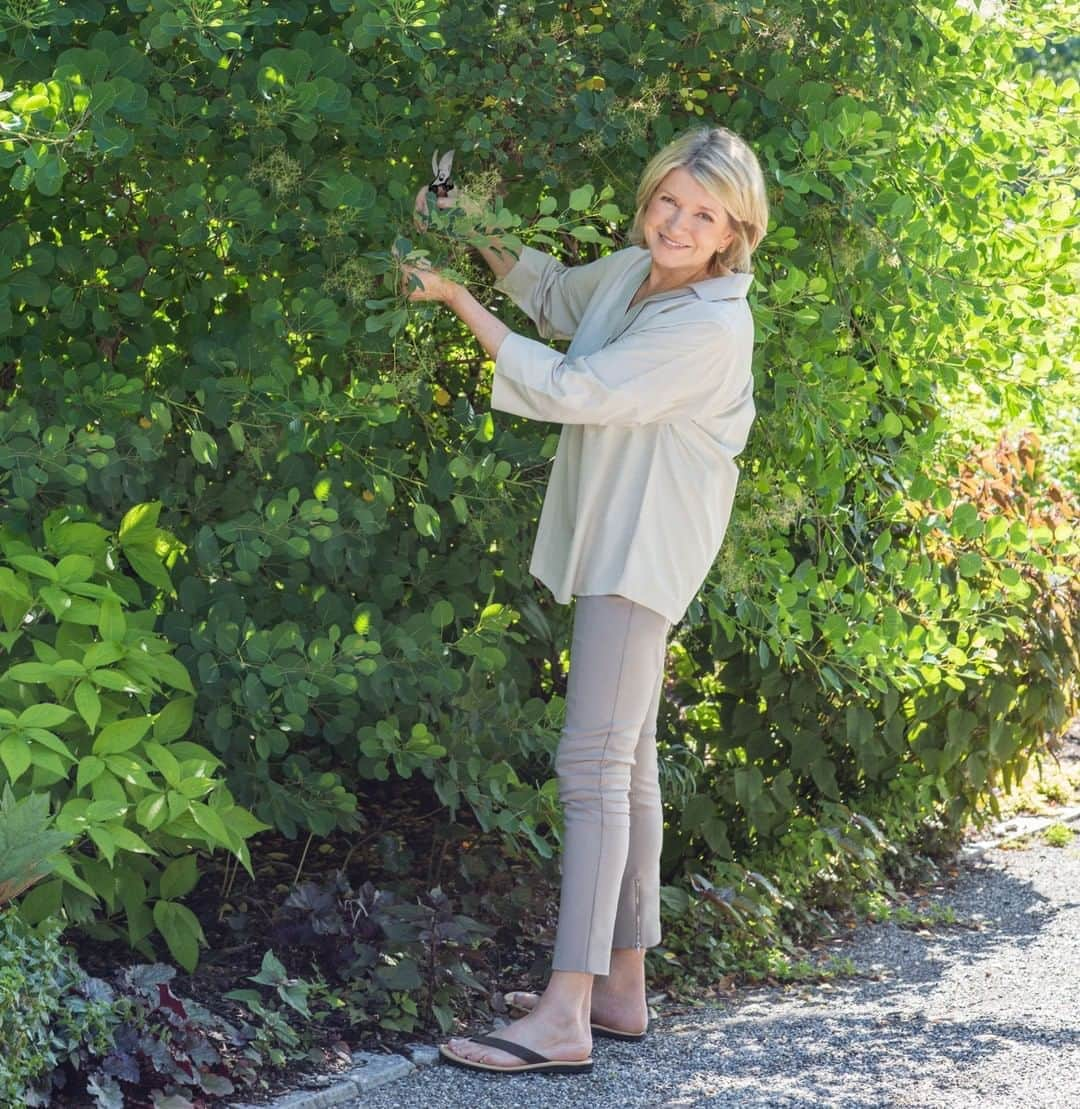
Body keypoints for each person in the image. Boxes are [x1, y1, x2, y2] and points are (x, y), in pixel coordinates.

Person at [401, 125, 769, 1076]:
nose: (677, 223)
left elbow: (570, 386)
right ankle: (619, 987)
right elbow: (553, 295)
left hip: (641, 549)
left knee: (593, 762)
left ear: (734, 231)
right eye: (666, 201)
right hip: (618, 534)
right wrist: (470, 227)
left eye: (702, 213)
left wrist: (451, 298)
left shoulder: (708, 325)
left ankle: (566, 1011)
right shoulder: (637, 275)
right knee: (629, 758)